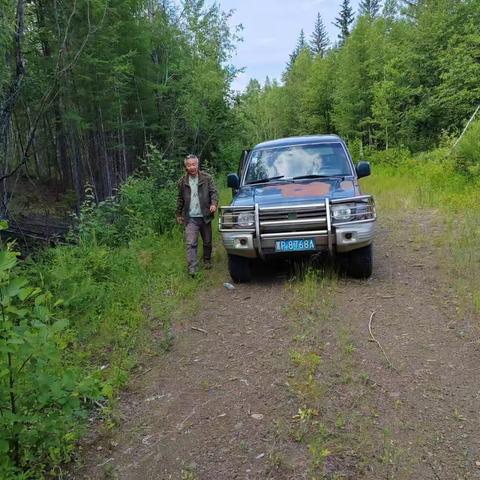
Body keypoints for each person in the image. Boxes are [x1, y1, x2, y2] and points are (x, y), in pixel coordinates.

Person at [176, 154, 218, 276]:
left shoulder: (207, 178)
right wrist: (178, 214)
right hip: (190, 218)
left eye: (193, 164)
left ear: (197, 165)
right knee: (191, 243)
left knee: (207, 241)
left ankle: (207, 260)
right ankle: (192, 268)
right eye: (189, 165)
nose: (191, 167)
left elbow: (213, 192)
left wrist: (214, 204)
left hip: (205, 215)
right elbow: (180, 199)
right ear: (186, 166)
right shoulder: (182, 181)